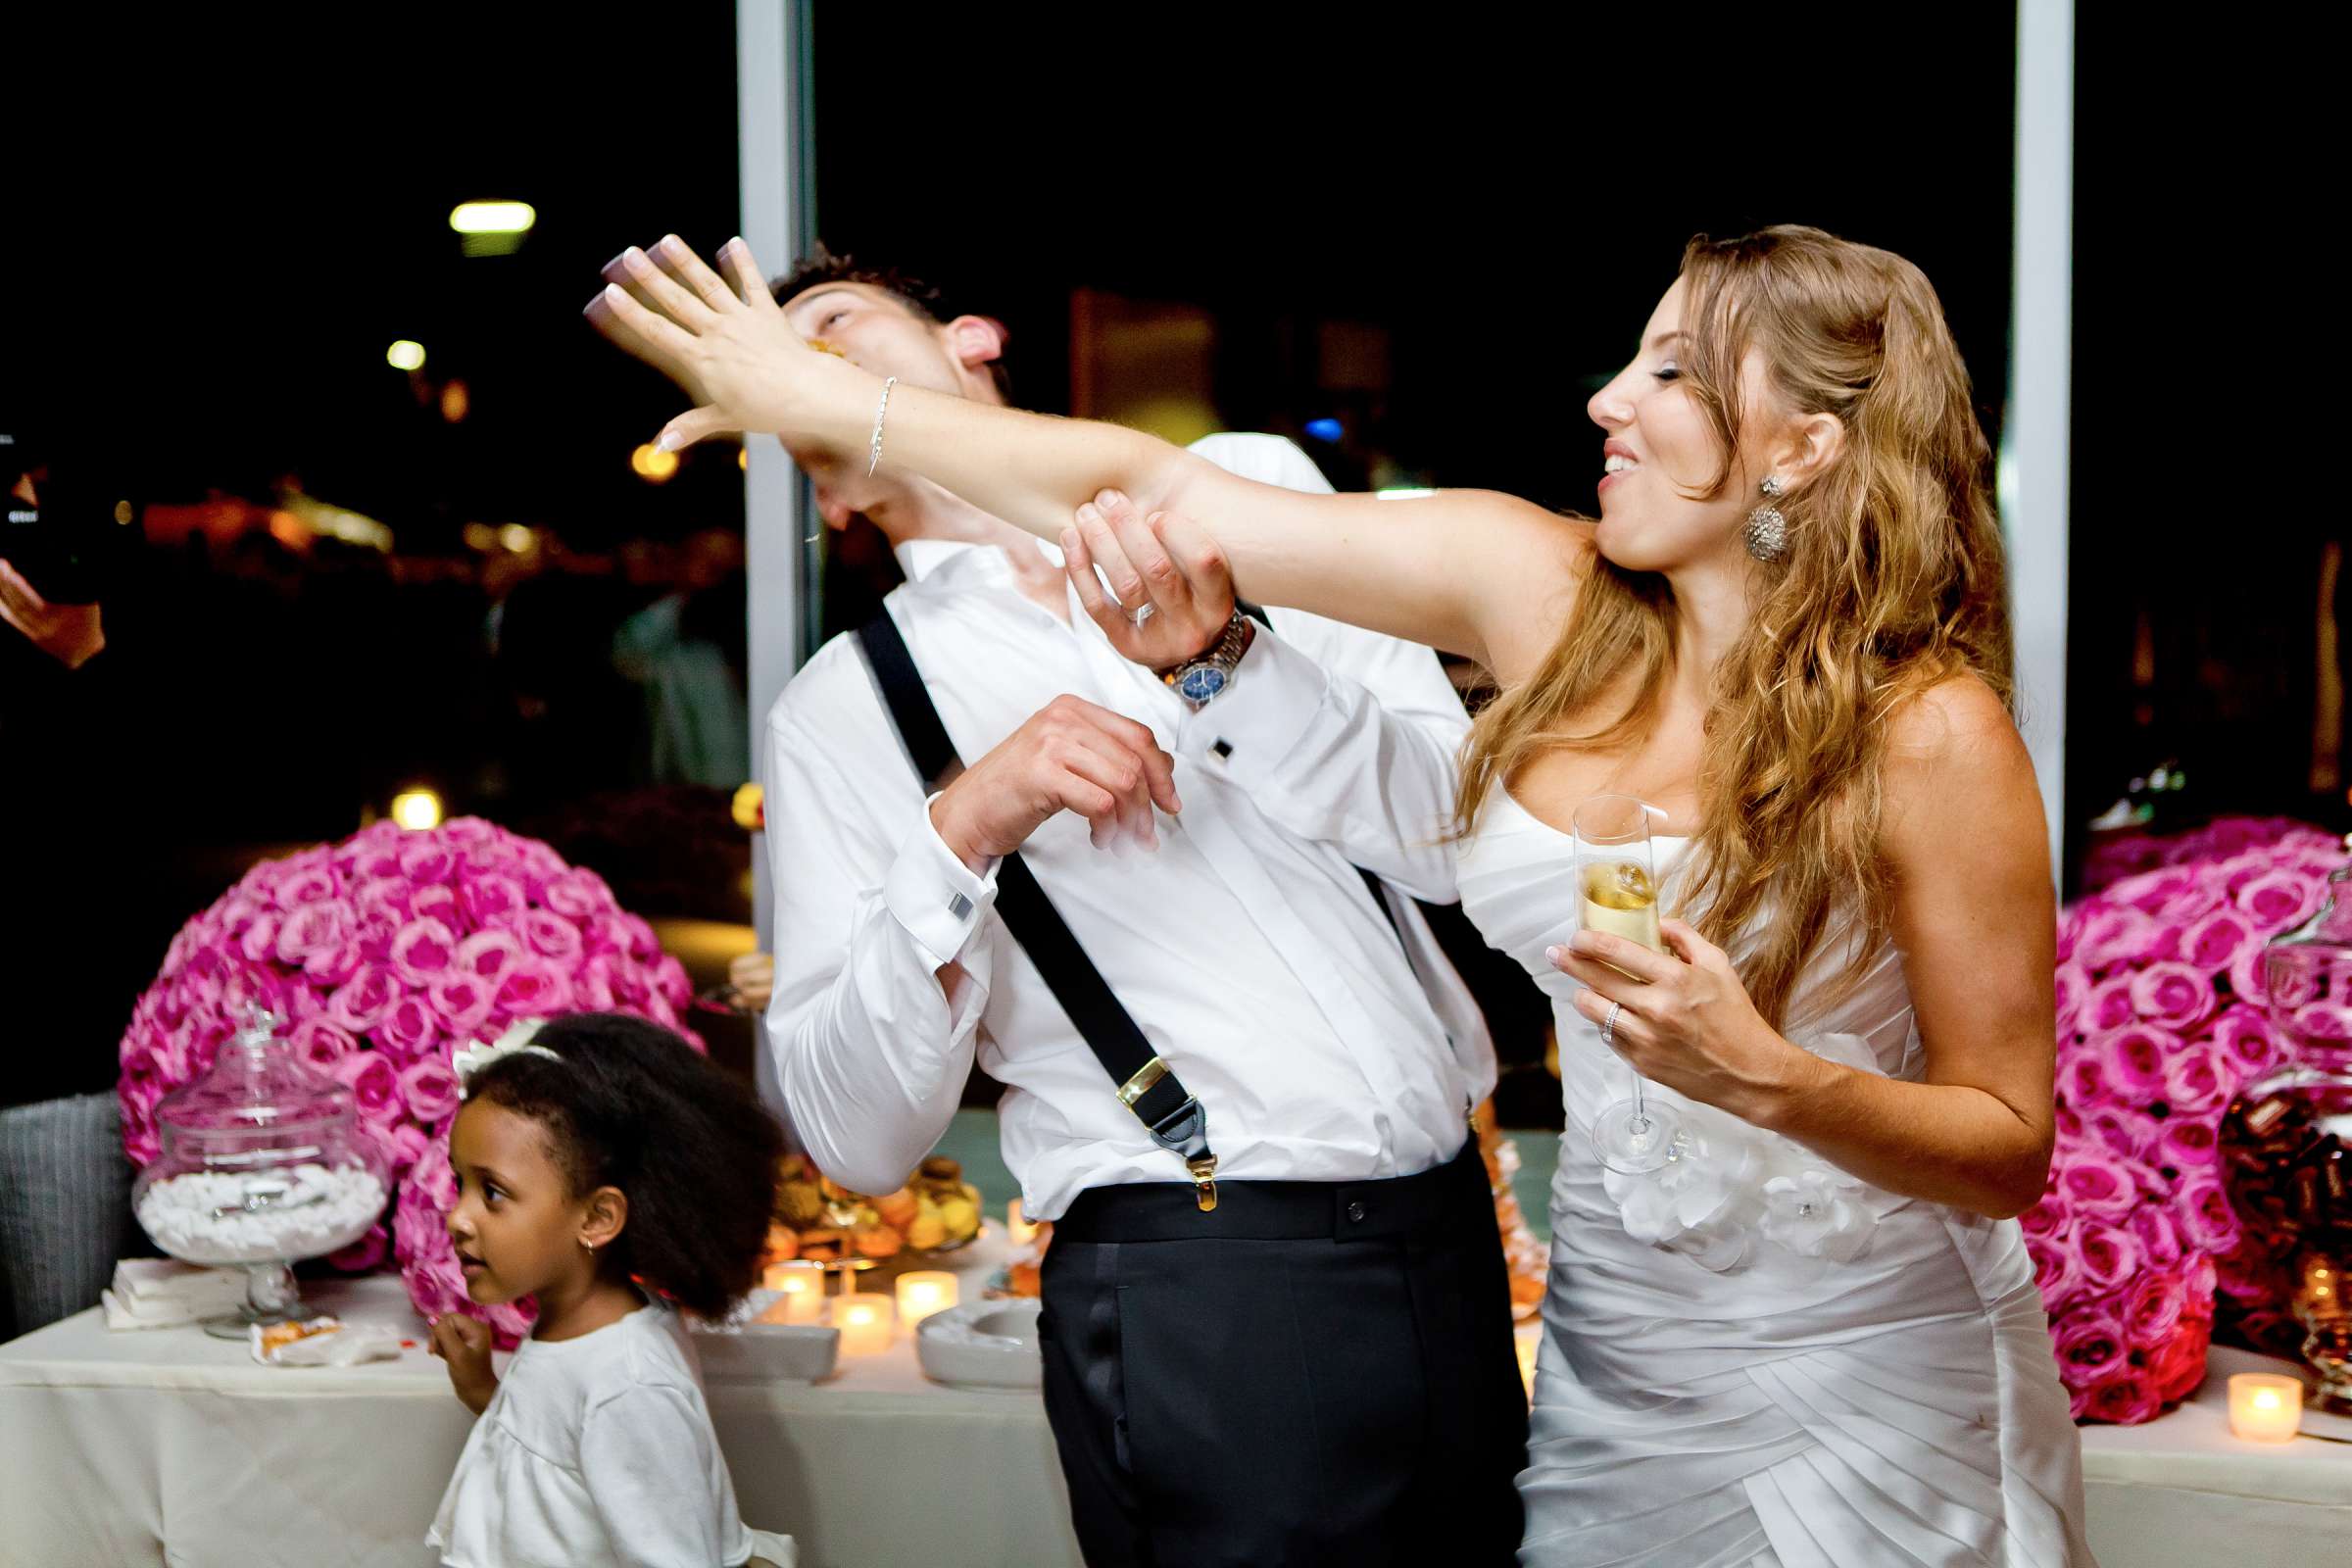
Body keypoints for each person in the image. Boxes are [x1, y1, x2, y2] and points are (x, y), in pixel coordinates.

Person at [590, 222, 2095, 1565]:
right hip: (1528, 1346)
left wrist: (1764, 1076)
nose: (1607, 401)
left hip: (1767, 1339)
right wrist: (982, 801)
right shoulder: (1531, 581)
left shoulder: (1928, 728)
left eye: (1672, 374)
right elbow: (853, 1128)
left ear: (1804, 451)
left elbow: (2003, 1135)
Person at [609, 245, 1526, 1564]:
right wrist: (964, 826)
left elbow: (1454, 838)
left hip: (1450, 1239)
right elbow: (853, 1135)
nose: (794, 368)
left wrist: (1231, 666)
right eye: (764, 366)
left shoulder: (1248, 493)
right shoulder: (843, 712)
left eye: (830, 325)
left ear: (971, 338)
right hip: (1199, 1286)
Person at [425, 1011, 796, 1568]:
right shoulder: (575, 1324)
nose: (457, 1217)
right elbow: (551, 1462)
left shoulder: (629, 1384)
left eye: (494, 1192)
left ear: (597, 1217)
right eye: (461, 1183)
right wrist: (483, 1390)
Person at [0, 424, 136, 1342]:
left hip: (46, 1075)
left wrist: (82, 668)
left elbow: (130, 830)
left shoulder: (77, 659)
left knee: (65, 1365)